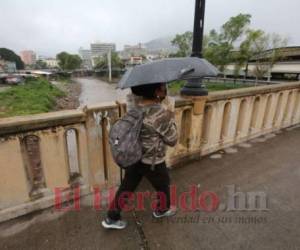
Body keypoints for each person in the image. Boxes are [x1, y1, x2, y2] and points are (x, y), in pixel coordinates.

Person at [102, 82, 178, 230]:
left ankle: (112, 217)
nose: (165, 89)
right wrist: (171, 118)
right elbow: (173, 140)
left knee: (126, 187)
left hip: (133, 156)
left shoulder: (134, 108)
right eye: (162, 87)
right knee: (163, 185)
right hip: (152, 161)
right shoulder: (161, 114)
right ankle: (162, 210)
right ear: (157, 91)